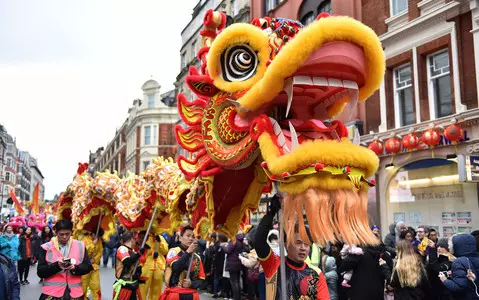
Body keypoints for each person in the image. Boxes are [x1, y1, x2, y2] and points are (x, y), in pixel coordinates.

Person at [255, 195, 330, 299]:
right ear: (286, 244)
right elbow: (259, 242)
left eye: (307, 244)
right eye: (298, 243)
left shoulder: (316, 274)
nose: (303, 248)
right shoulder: (274, 265)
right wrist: (271, 213)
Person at [37, 219, 92, 300]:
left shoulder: (81, 246)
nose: (64, 237)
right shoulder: (46, 247)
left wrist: (75, 268)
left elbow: (87, 267)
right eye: (61, 234)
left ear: (71, 232)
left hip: (75, 294)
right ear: (55, 232)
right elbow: (40, 272)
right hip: (52, 294)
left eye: (67, 234)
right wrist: (57, 266)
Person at [161, 225, 206, 300]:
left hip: (192, 294)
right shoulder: (173, 251)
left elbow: (201, 279)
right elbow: (175, 267)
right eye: (188, 236)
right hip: (175, 293)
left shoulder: (197, 257)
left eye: (193, 236)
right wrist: (188, 252)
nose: (191, 239)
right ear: (180, 238)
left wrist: (191, 284)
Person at [440, 234, 479, 299]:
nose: (448, 247)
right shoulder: (476, 258)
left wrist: (444, 280)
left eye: (450, 245)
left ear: (457, 246)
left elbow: (459, 286)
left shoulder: (458, 261)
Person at [112, 231, 143, 300]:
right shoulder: (122, 249)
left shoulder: (133, 251)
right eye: (135, 239)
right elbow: (127, 262)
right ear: (132, 239)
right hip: (125, 286)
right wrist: (138, 254)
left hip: (133, 285)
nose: (136, 241)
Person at [139, 232, 169, 300]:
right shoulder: (144, 235)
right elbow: (138, 246)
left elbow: (165, 251)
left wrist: (159, 242)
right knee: (143, 289)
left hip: (158, 266)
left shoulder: (160, 237)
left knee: (156, 290)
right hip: (145, 265)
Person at [78, 229, 103, 300]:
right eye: (97, 236)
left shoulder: (99, 241)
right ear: (92, 233)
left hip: (94, 267)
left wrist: (94, 260)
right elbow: (82, 252)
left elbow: (100, 252)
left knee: (96, 286)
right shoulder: (84, 239)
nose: (98, 238)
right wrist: (92, 244)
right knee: (83, 286)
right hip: (84, 267)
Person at [222, 233, 245, 300]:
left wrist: (223, 246)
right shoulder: (240, 241)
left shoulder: (234, 240)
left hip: (232, 264)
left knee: (234, 283)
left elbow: (227, 250)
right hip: (238, 262)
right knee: (237, 282)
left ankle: (236, 298)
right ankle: (238, 297)